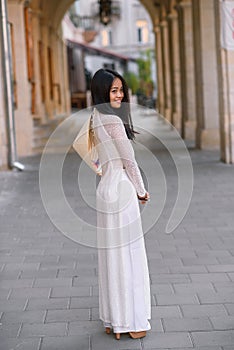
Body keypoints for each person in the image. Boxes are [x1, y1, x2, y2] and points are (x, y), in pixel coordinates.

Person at [90, 68, 151, 340]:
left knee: (111, 257)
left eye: (120, 89)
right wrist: (141, 190)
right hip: (122, 190)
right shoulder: (113, 122)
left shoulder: (94, 117)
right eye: (113, 90)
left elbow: (92, 157)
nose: (120, 95)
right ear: (103, 92)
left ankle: (113, 320)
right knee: (129, 256)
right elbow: (129, 161)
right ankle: (131, 322)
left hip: (105, 190)